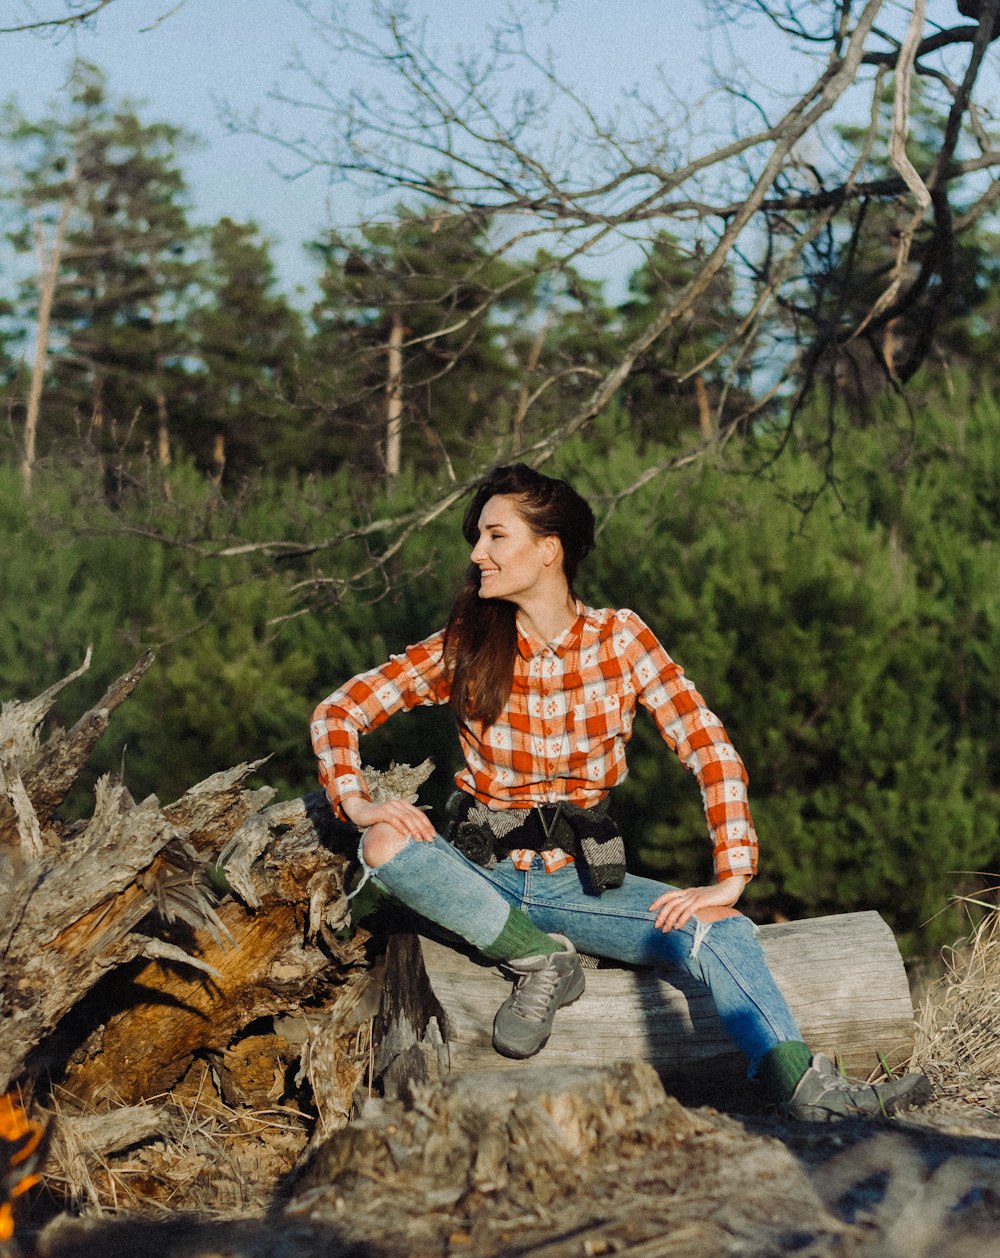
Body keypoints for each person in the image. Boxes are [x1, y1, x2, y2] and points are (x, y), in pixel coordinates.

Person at [310, 463, 930, 1121]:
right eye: (478, 538)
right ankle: (539, 959)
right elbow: (339, 711)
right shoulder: (466, 646)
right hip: (477, 873)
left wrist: (732, 874)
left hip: (583, 888)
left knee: (721, 930)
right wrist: (357, 799)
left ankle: (805, 1090)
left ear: (548, 549)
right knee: (383, 842)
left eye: (495, 536)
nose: (477, 553)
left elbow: (709, 747)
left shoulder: (621, 640)